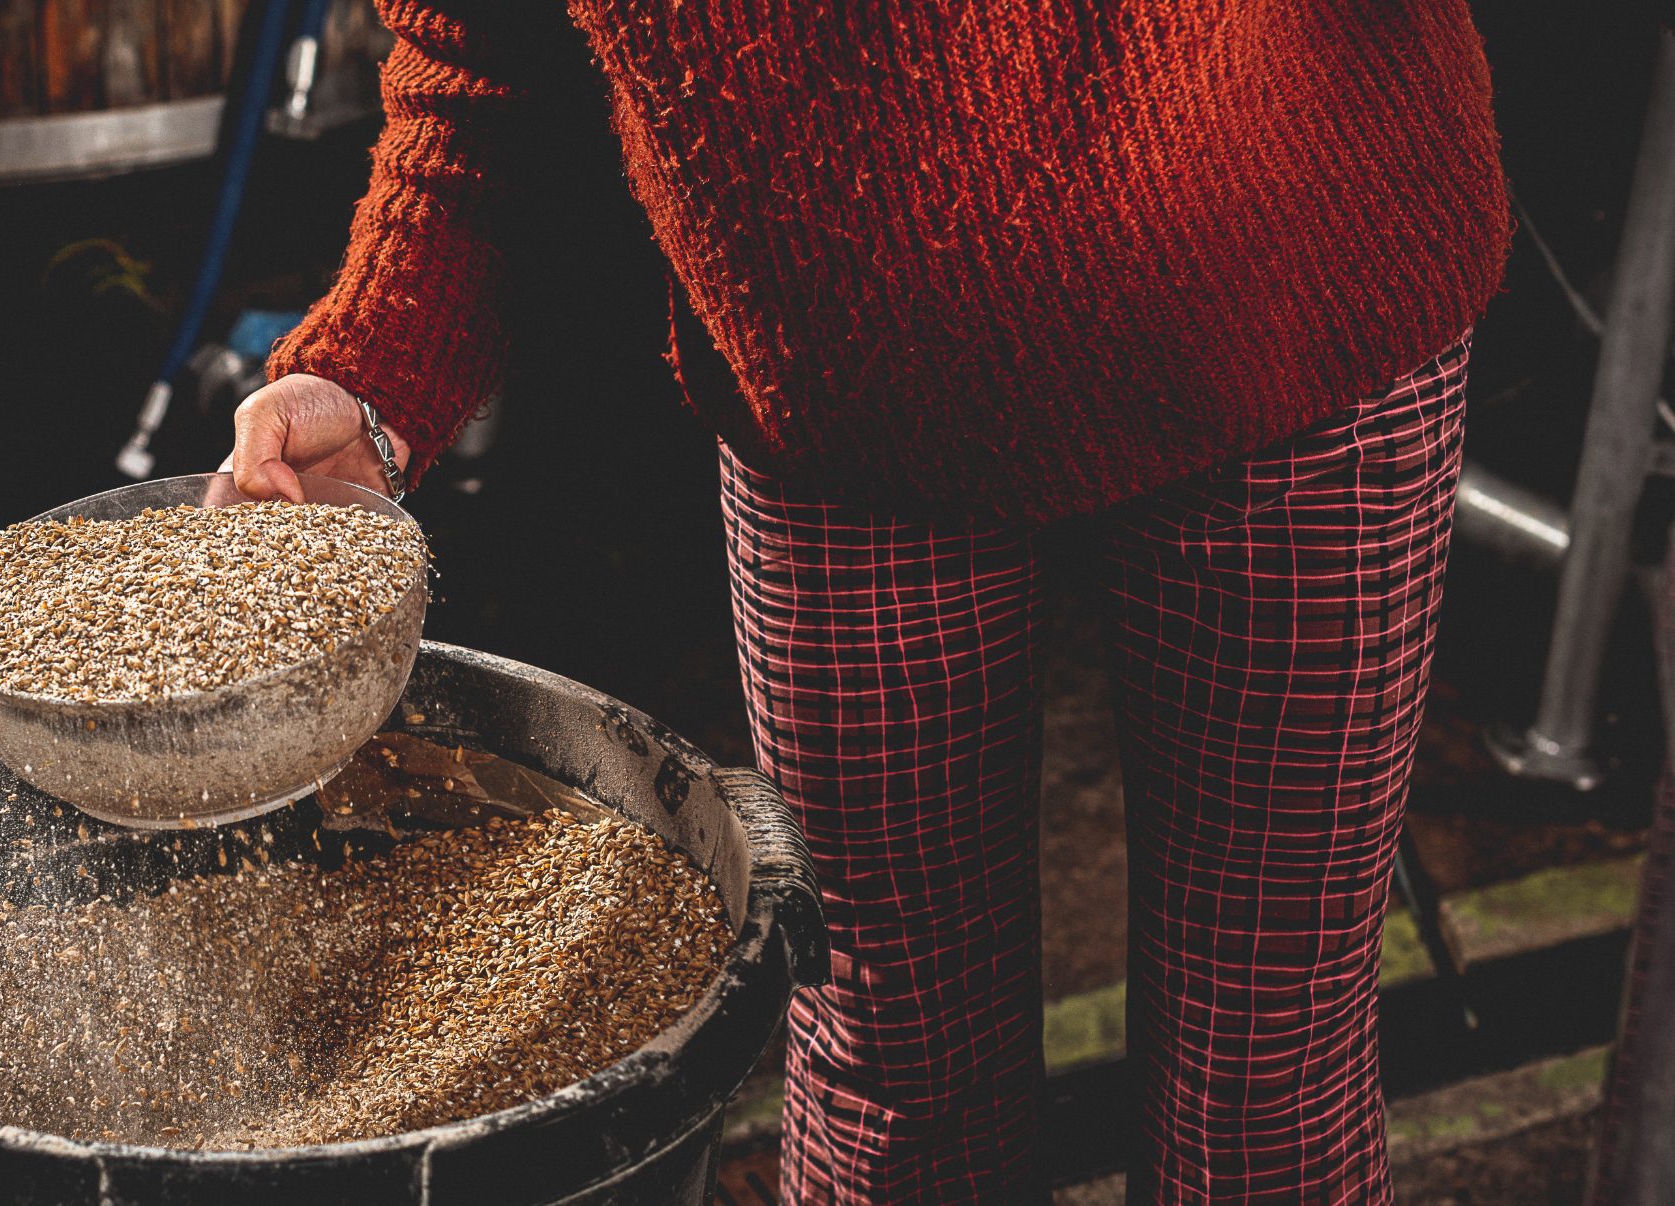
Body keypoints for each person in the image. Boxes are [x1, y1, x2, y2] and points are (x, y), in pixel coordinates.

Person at [222, 2, 1511, 1201]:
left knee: (1265, 1076)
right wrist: (374, 376)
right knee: (899, 1073)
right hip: (849, 388)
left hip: (1304, 267)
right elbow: (482, 77)